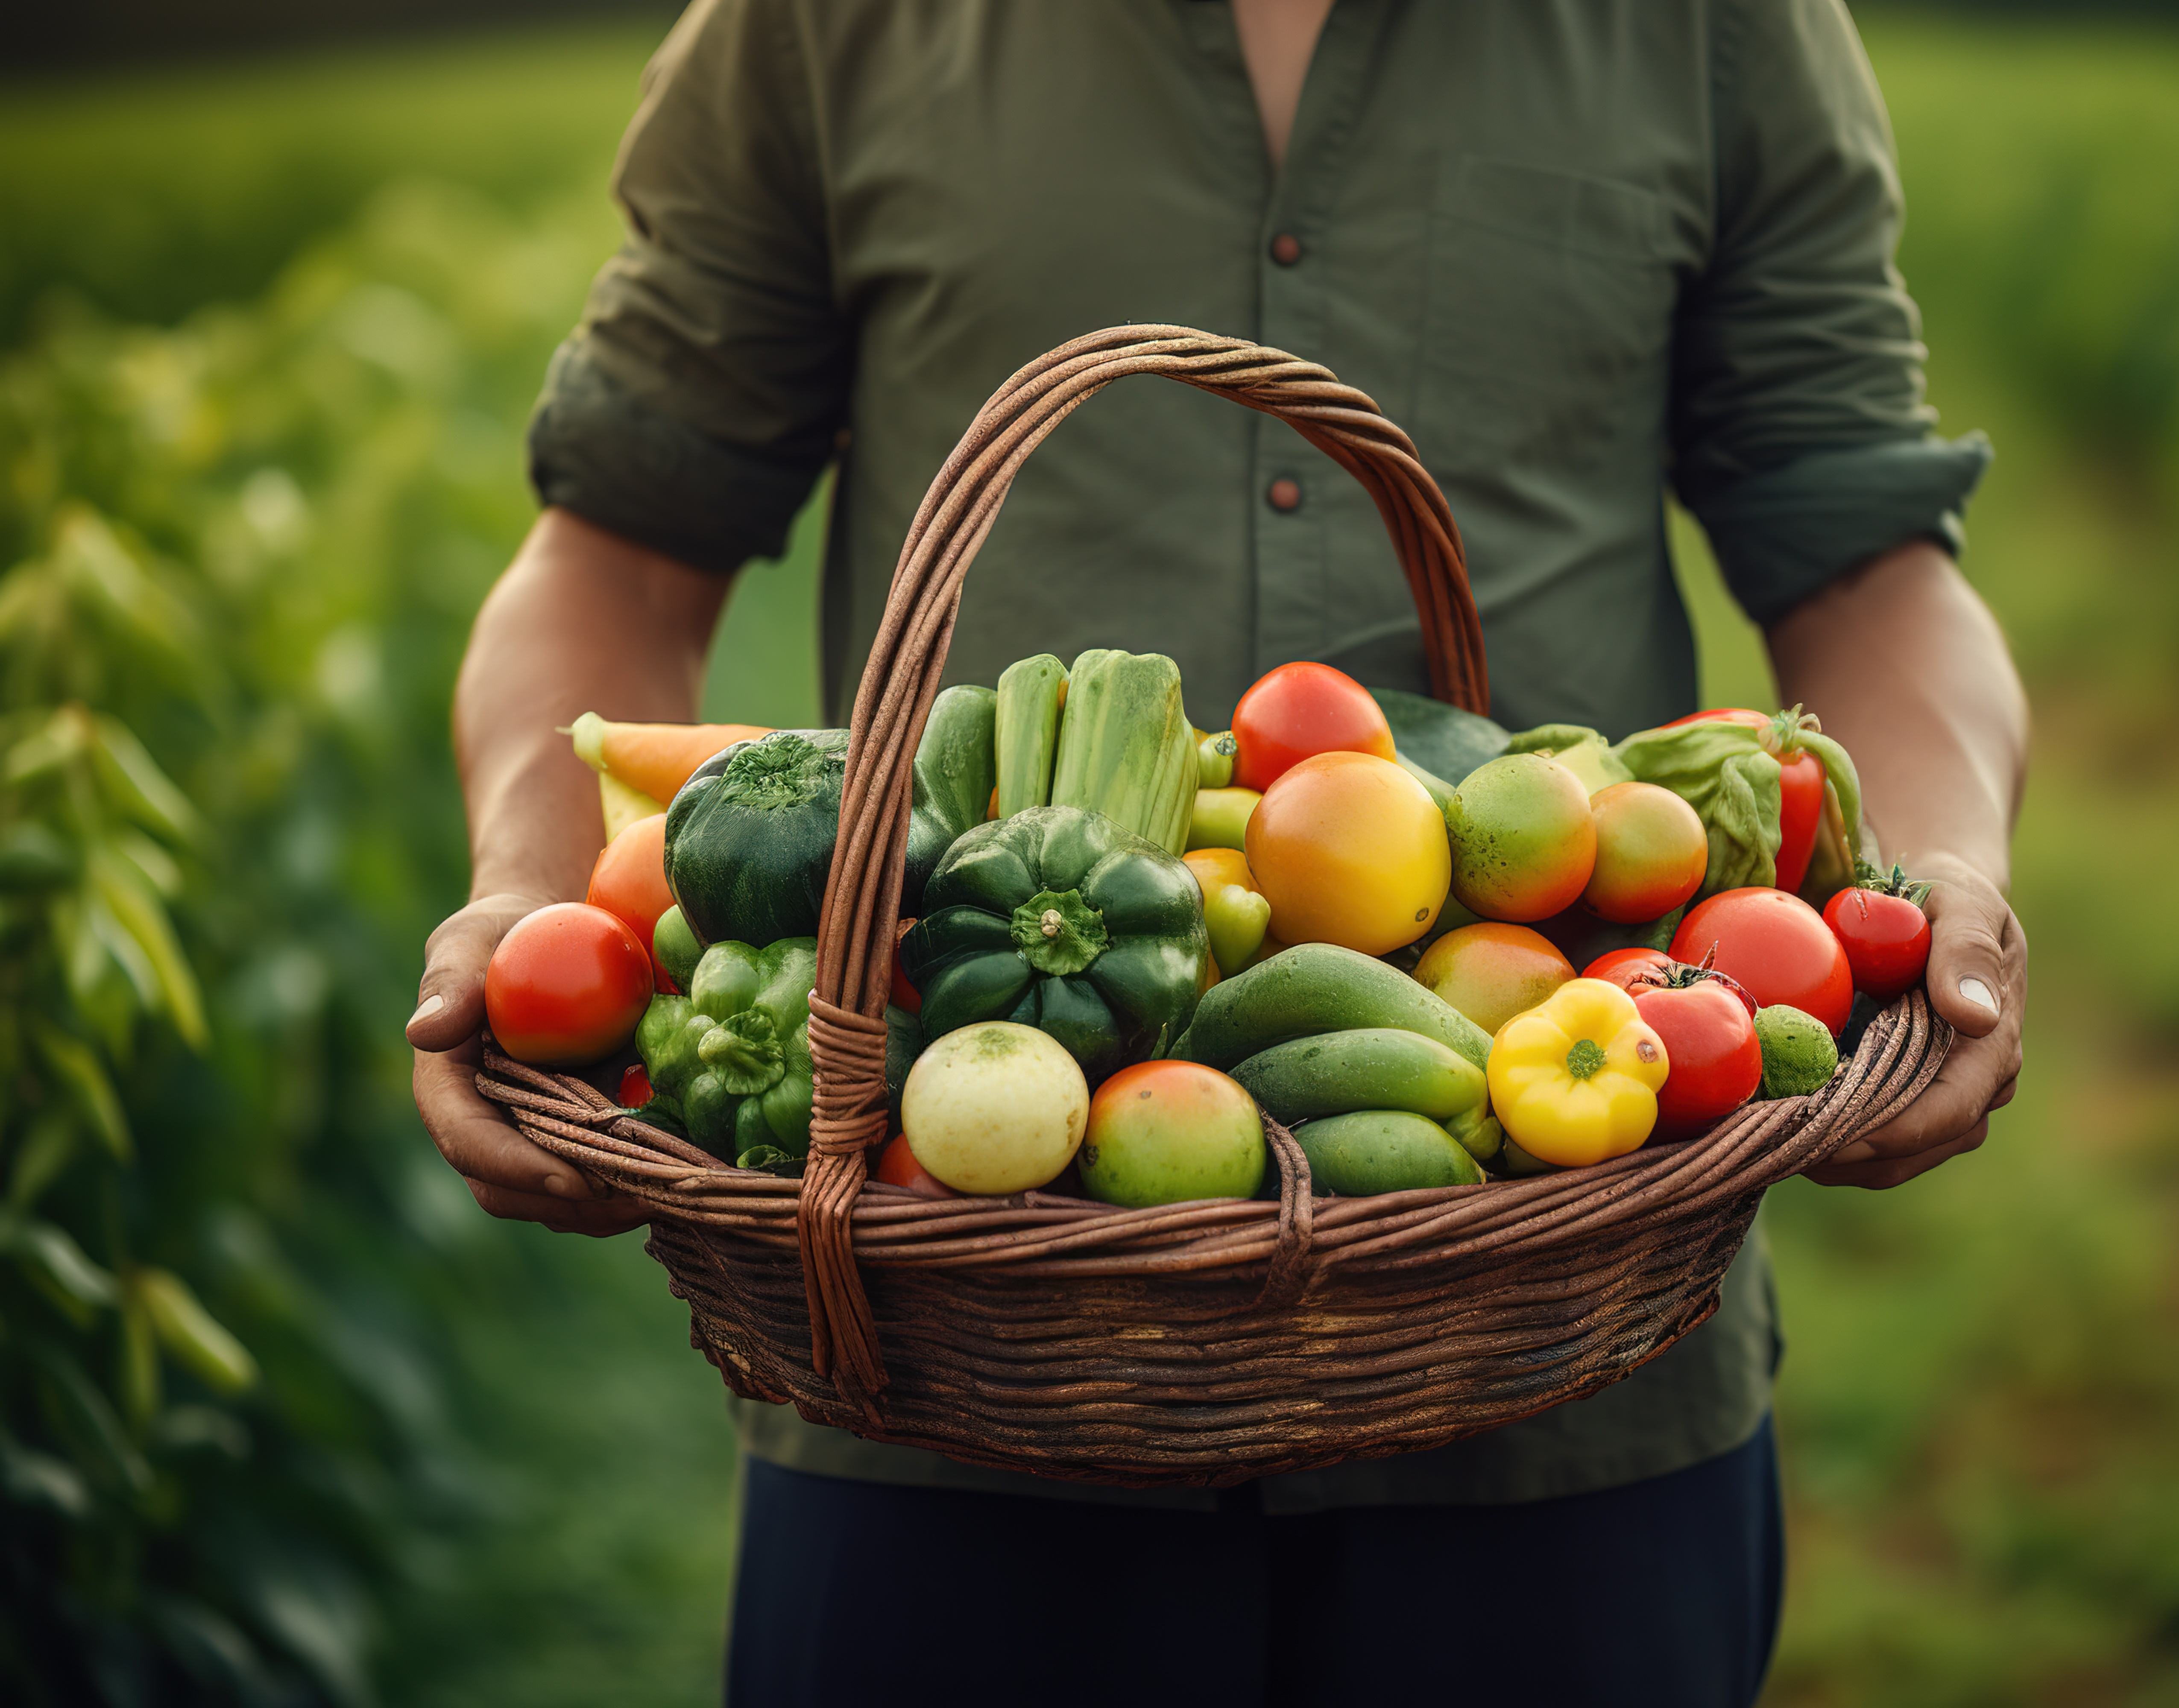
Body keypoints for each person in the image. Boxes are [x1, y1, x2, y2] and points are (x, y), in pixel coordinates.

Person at [407, 0, 2028, 1701]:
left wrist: (1936, 868)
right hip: (939, 1349)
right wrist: (525, 899)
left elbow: (1866, 551)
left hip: (1573, 1339)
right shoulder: (816, 28)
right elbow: (619, 552)